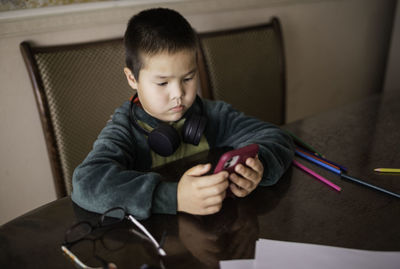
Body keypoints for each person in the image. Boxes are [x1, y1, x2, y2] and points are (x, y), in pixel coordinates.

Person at [71, 8, 294, 220]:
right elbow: (87, 184)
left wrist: (259, 167)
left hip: (216, 229)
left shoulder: (211, 113)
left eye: (188, 78)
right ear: (132, 79)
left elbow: (276, 136)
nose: (178, 94)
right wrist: (173, 198)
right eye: (162, 82)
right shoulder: (124, 128)